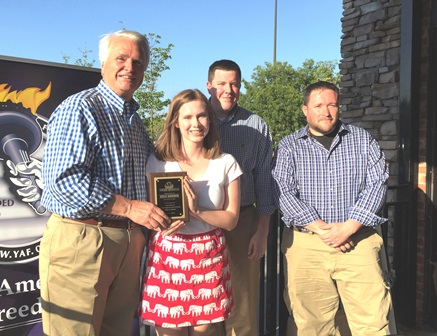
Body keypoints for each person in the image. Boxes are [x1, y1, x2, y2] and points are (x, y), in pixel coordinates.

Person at [39, 30, 177, 336]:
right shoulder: (81, 108)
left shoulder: (135, 121)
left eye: (138, 62)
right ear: (103, 64)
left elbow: (155, 172)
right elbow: (64, 179)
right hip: (84, 238)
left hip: (128, 241)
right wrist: (129, 207)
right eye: (122, 58)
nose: (130, 67)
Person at [272, 81, 392, 335]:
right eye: (318, 105)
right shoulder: (289, 146)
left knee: (372, 322)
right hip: (306, 246)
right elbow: (282, 190)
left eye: (332, 104)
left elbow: (377, 183)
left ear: (339, 107)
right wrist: (324, 230)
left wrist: (349, 227)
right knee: (311, 325)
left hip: (358, 241)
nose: (326, 111)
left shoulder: (362, 140)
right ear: (305, 110)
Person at [141, 89, 242, 336]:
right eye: (187, 117)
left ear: (210, 120)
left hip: (208, 256)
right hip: (167, 256)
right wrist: (159, 224)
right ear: (175, 121)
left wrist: (195, 210)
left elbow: (231, 220)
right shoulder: (157, 162)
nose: (195, 124)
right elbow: (148, 213)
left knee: (204, 332)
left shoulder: (226, 162)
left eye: (201, 116)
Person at [206, 59, 275, 336]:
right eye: (221, 84)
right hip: (199, 223)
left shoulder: (256, 124)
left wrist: (262, 230)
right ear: (209, 85)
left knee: (243, 306)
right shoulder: (194, 119)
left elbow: (265, 181)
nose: (228, 90)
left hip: (242, 222)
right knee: (205, 303)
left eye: (234, 84)